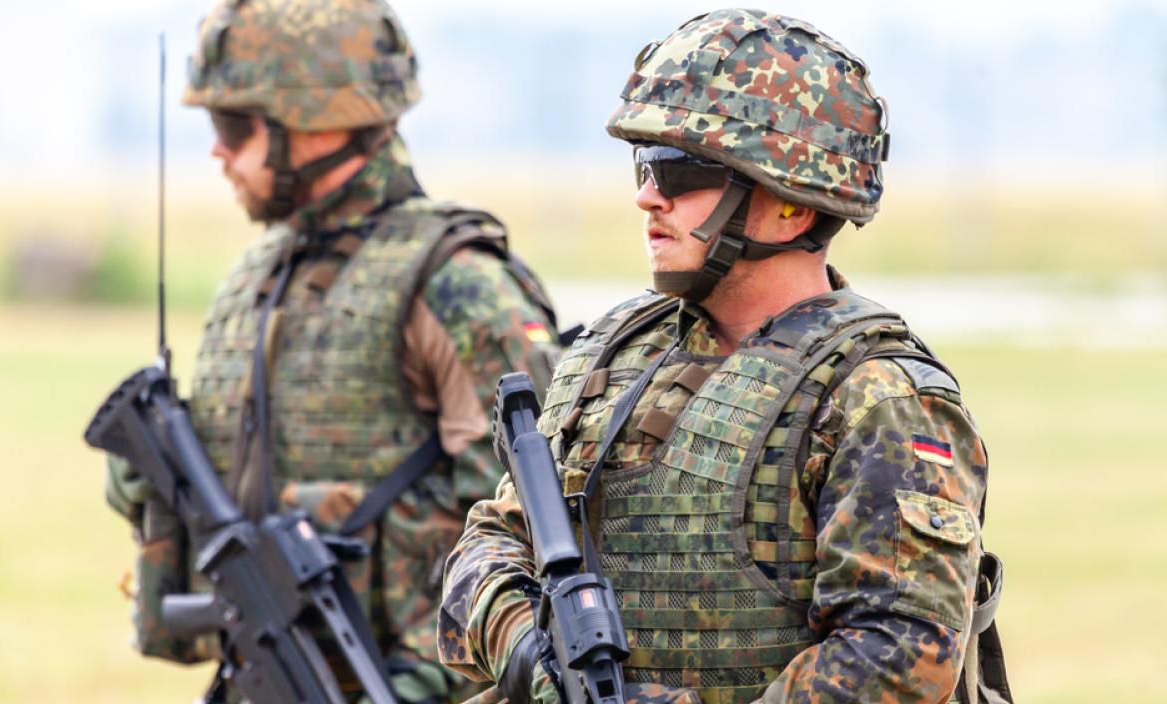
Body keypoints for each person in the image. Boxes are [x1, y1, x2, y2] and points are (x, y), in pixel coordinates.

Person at [439, 9, 1009, 704]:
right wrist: (533, 654)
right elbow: (494, 540)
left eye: (680, 172)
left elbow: (898, 656)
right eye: (644, 165)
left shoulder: (877, 398)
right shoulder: (613, 354)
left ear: (793, 203)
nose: (647, 196)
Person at [102, 1, 560, 702]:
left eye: (232, 125)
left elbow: (537, 526)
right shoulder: (256, 278)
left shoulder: (456, 284)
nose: (217, 152)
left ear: (317, 121)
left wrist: (422, 683)